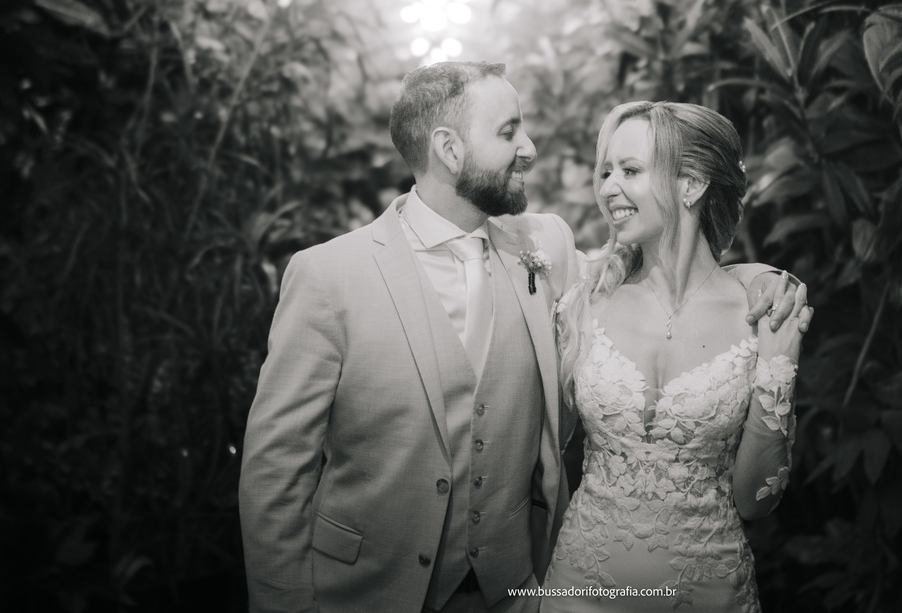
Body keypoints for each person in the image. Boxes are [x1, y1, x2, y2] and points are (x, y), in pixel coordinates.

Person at [238, 62, 809, 613]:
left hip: (512, 590)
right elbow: (275, 469)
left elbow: (664, 278)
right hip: (367, 592)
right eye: (509, 131)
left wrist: (763, 279)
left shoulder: (544, 247)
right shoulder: (328, 275)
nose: (530, 148)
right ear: (449, 149)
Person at [541, 101, 811, 612]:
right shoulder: (585, 302)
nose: (608, 187)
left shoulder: (759, 316)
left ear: (692, 184)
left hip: (708, 592)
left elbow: (756, 501)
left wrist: (778, 369)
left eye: (630, 170)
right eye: (606, 171)